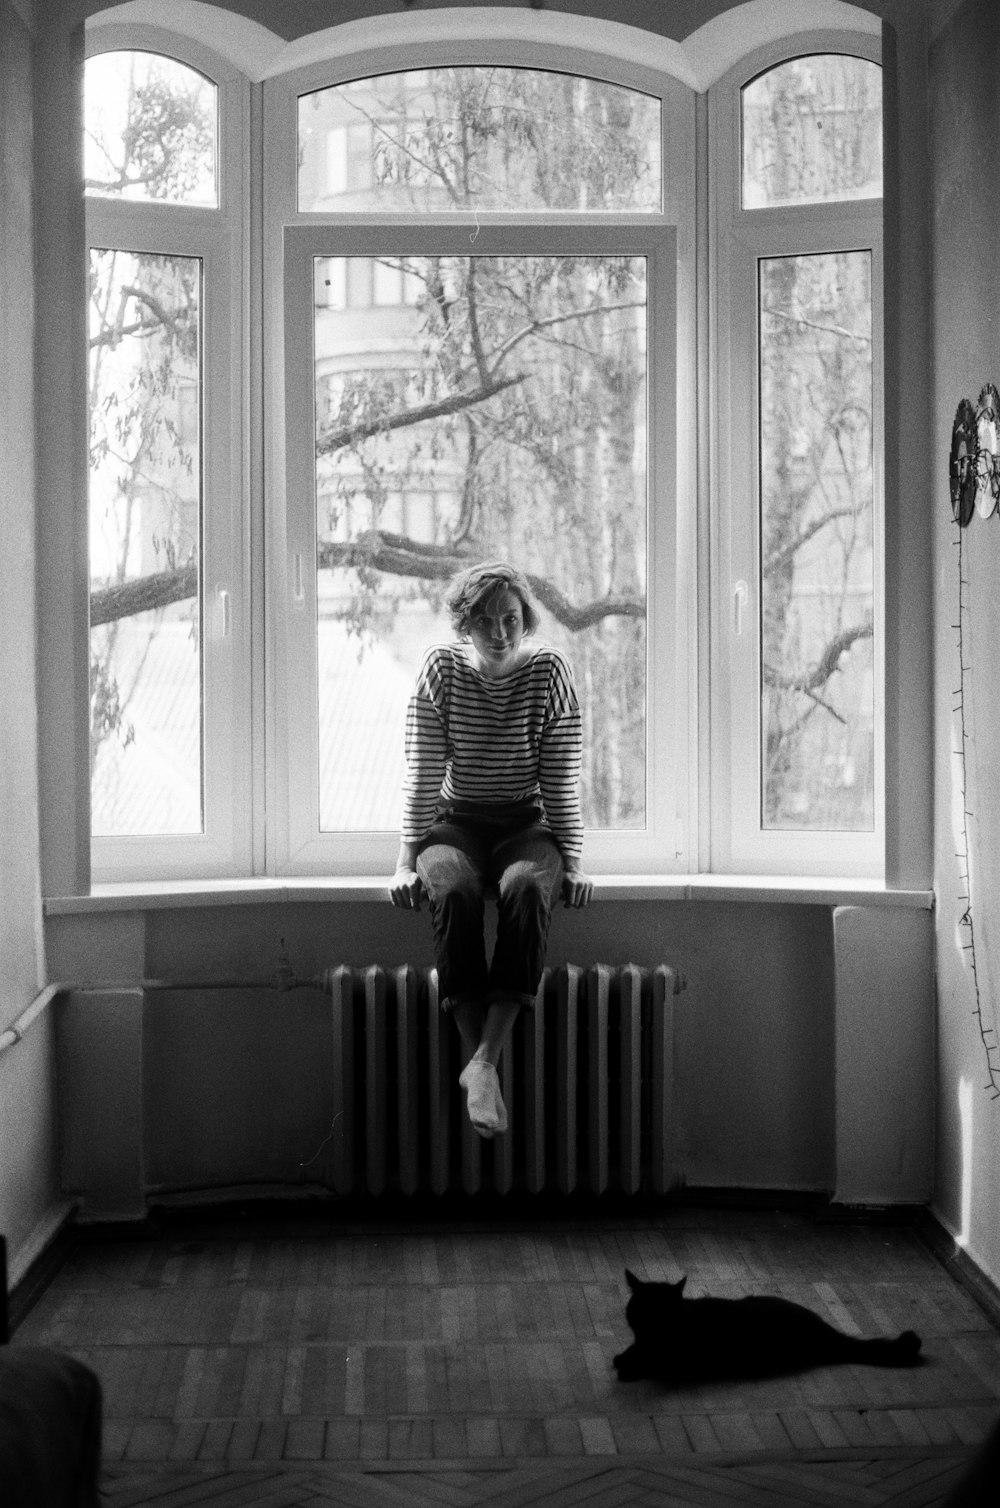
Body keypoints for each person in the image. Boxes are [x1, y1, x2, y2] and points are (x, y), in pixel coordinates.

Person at [388, 561, 594, 1138]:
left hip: (524, 826)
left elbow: (560, 780)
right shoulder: (441, 670)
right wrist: (406, 861)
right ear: (464, 624)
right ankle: (478, 1067)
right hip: (456, 824)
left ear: (525, 619)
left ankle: (483, 1062)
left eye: (510, 618)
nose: (499, 633)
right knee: (451, 892)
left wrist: (572, 862)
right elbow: (423, 771)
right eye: (484, 621)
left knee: (527, 890)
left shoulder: (550, 672)